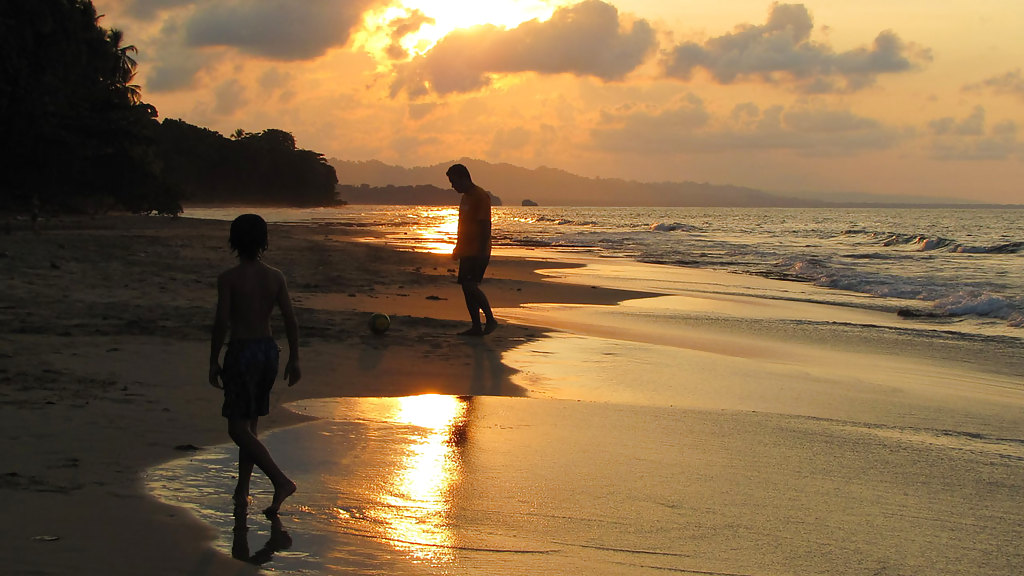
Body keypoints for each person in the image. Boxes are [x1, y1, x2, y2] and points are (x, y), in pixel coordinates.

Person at [209, 214, 301, 515]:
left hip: (243, 351)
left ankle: (280, 480)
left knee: (237, 428)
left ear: (233, 242)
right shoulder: (275, 276)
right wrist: (294, 357)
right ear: (264, 241)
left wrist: (213, 359)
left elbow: (222, 321)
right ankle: (243, 489)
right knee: (250, 424)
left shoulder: (229, 279)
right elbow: (289, 317)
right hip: (267, 352)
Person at [448, 164, 497, 336]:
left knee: (470, 286)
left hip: (478, 251)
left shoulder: (480, 197)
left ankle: (490, 320)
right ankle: (476, 326)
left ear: (463, 178)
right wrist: (457, 247)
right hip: (466, 250)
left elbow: (485, 225)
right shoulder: (465, 197)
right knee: (466, 288)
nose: (452, 186)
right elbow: (463, 226)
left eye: (453, 181)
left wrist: (482, 251)